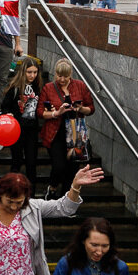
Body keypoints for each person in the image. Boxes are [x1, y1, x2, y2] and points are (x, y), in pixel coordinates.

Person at [39, 59, 95, 197]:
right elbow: (40, 112)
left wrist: (80, 108)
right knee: (59, 166)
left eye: (65, 76)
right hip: (55, 133)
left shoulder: (80, 86)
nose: (62, 79)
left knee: (72, 168)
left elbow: (91, 108)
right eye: (59, 75)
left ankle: (66, 197)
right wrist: (56, 113)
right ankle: (52, 189)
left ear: (71, 75)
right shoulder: (49, 88)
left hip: (75, 133)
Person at [1, 56, 44, 177]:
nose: (32, 75)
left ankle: (32, 193)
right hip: (17, 130)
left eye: (35, 72)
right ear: (23, 72)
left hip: (32, 130)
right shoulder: (15, 87)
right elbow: (5, 105)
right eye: (29, 72)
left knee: (31, 163)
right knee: (16, 161)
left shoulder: (38, 87)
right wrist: (8, 114)